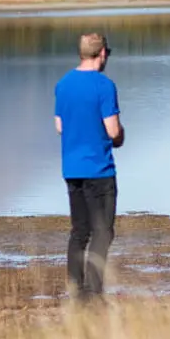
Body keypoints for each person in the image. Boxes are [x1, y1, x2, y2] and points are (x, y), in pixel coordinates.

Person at [55, 32, 124, 301]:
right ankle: (94, 292)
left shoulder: (63, 84)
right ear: (103, 53)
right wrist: (120, 136)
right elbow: (113, 130)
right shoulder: (104, 86)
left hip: (71, 169)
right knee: (103, 231)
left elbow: (59, 126)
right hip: (99, 169)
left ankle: (75, 288)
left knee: (79, 231)